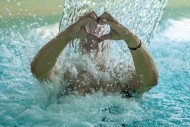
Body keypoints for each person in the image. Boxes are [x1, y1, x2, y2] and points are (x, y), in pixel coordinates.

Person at [30, 11, 158, 96]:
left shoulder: (119, 71)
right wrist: (67, 35)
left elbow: (150, 81)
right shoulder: (67, 72)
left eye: (99, 30)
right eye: (86, 32)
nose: (93, 37)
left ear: (109, 41)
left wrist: (130, 38)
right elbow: (38, 71)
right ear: (77, 39)